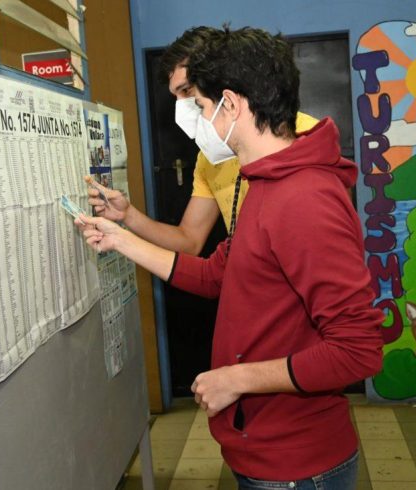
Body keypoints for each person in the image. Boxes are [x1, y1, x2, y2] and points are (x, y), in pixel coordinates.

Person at [76, 26, 384, 489]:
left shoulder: (303, 198)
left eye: (200, 105)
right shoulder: (265, 183)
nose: (197, 119)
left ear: (232, 104)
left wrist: (237, 379)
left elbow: (357, 350)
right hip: (263, 447)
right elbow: (216, 275)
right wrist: (121, 239)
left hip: (296, 464)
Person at [84, 26, 318, 255]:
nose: (182, 106)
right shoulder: (209, 157)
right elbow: (190, 240)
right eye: (175, 97)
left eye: (188, 92)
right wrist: (127, 215)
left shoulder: (303, 138)